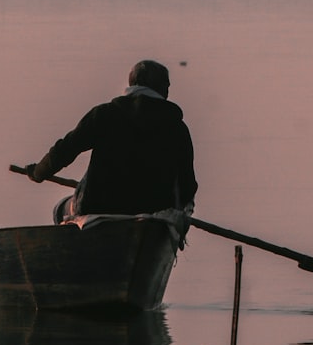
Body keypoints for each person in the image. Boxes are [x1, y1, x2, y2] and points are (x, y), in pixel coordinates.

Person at [25, 59, 198, 226]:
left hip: (98, 206)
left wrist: (38, 172)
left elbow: (65, 150)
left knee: (59, 210)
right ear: (163, 90)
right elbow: (188, 184)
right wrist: (179, 213)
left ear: (132, 83)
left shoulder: (103, 115)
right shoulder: (177, 128)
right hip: (153, 214)